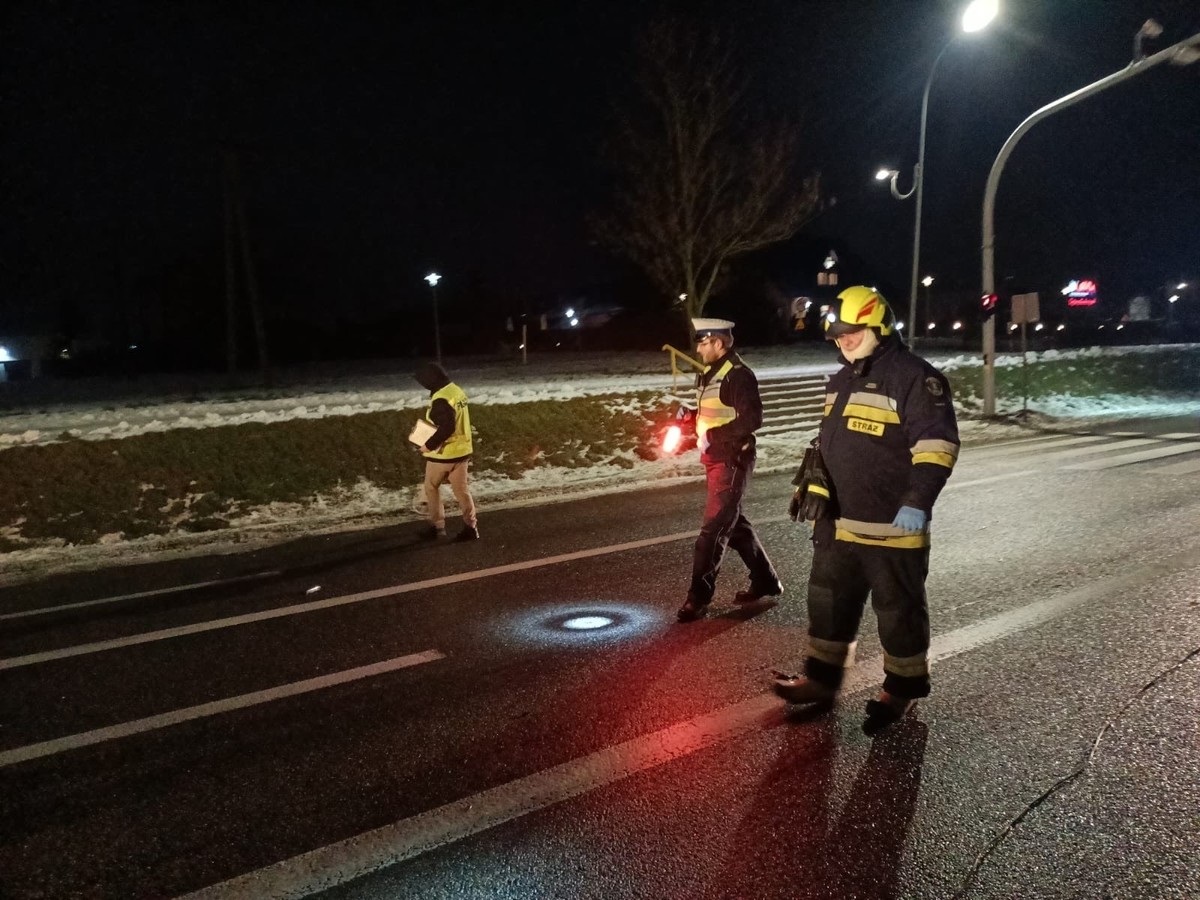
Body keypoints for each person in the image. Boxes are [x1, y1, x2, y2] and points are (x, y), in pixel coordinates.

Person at [774, 286, 959, 734]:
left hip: (892, 527)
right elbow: (836, 443)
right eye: (836, 335)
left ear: (878, 325)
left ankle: (901, 689)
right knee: (827, 604)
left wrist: (916, 502)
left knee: (898, 611)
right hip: (838, 523)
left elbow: (937, 447)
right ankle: (820, 681)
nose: (842, 340)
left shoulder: (915, 377)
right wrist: (816, 480)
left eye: (851, 332)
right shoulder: (842, 379)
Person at [677, 318, 782, 622]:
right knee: (734, 525)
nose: (697, 348)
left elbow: (751, 420)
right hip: (715, 460)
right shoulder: (711, 374)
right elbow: (717, 412)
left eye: (703, 342)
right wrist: (691, 416)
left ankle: (698, 599)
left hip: (732, 461)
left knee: (712, 531)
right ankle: (765, 580)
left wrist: (713, 436)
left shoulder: (739, 376)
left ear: (719, 343)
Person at [413, 362, 479, 541]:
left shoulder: (441, 399)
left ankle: (437, 527)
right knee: (462, 491)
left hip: (444, 455)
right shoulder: (455, 390)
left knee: (431, 487)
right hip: (462, 451)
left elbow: (447, 427)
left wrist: (429, 444)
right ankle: (471, 527)